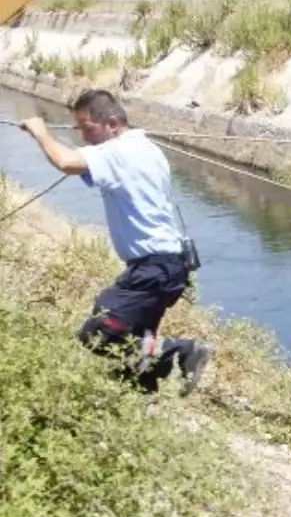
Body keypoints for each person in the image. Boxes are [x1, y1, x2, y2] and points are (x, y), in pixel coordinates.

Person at [20, 89, 213, 395]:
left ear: (111, 122)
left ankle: (182, 351)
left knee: (98, 332)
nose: (85, 137)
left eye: (87, 128)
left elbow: (66, 162)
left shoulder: (119, 152)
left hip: (154, 267)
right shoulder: (146, 149)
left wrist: (40, 131)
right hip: (166, 265)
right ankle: (142, 404)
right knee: (134, 348)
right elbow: (83, 166)